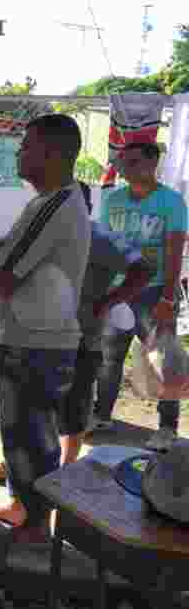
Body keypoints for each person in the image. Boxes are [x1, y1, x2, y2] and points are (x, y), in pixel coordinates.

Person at [0, 183, 151, 525]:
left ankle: (59, 482)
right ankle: (27, 482)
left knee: (63, 416)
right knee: (36, 419)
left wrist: (109, 300)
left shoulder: (98, 236)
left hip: (76, 342)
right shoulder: (50, 233)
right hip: (44, 340)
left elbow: (142, 267)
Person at [0, 114, 90, 543]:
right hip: (30, 339)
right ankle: (21, 507)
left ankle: (34, 527)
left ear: (53, 153)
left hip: (37, 344)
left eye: (26, 147)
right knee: (20, 434)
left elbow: (0, 274)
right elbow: (1, 263)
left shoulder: (57, 205)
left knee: (33, 439)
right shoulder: (47, 202)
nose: (18, 153)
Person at [94, 141, 188, 451]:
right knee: (109, 357)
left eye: (133, 162)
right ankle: (101, 415)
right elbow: (104, 247)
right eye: (123, 162)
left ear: (152, 164)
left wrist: (168, 298)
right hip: (118, 292)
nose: (125, 168)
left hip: (154, 293)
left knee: (163, 360)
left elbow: (175, 251)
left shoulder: (171, 202)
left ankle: (166, 428)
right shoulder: (113, 200)